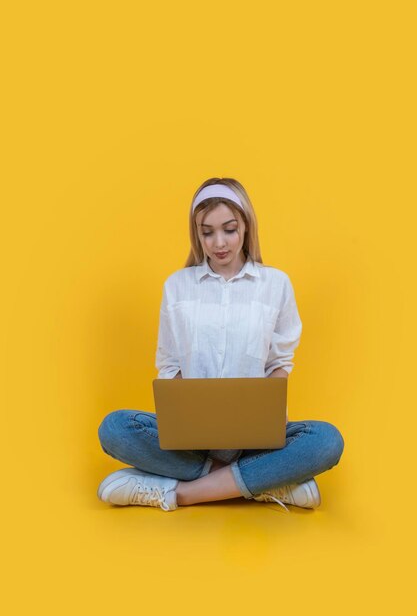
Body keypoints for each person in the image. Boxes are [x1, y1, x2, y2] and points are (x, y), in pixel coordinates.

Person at [97, 178, 344, 512]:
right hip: (193, 444)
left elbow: (279, 364)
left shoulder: (275, 284)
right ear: (196, 234)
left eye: (229, 229)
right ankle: (265, 483)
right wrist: (192, 419)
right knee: (114, 428)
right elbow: (170, 366)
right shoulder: (177, 286)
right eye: (207, 232)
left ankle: (177, 494)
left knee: (326, 441)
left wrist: (261, 417)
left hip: (256, 444)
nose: (219, 243)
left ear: (246, 225)